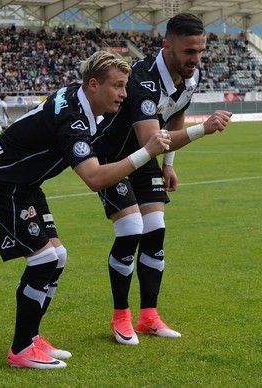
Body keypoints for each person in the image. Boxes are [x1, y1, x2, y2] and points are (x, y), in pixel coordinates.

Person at [0, 51, 171, 369]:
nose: (124, 93)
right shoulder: (73, 121)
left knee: (57, 256)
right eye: (118, 86)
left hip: (24, 185)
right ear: (93, 85)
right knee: (44, 258)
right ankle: (21, 349)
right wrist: (147, 152)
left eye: (126, 86)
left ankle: (32, 338)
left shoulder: (79, 101)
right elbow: (93, 178)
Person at [91, 13, 232, 346]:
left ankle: (148, 317)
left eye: (200, 51)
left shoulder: (188, 78)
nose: (195, 59)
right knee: (130, 230)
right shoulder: (142, 80)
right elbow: (149, 138)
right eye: (188, 52)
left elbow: (176, 114)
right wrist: (204, 129)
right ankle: (121, 317)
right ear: (167, 45)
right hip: (113, 159)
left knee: (155, 231)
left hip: (147, 161)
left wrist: (168, 163)